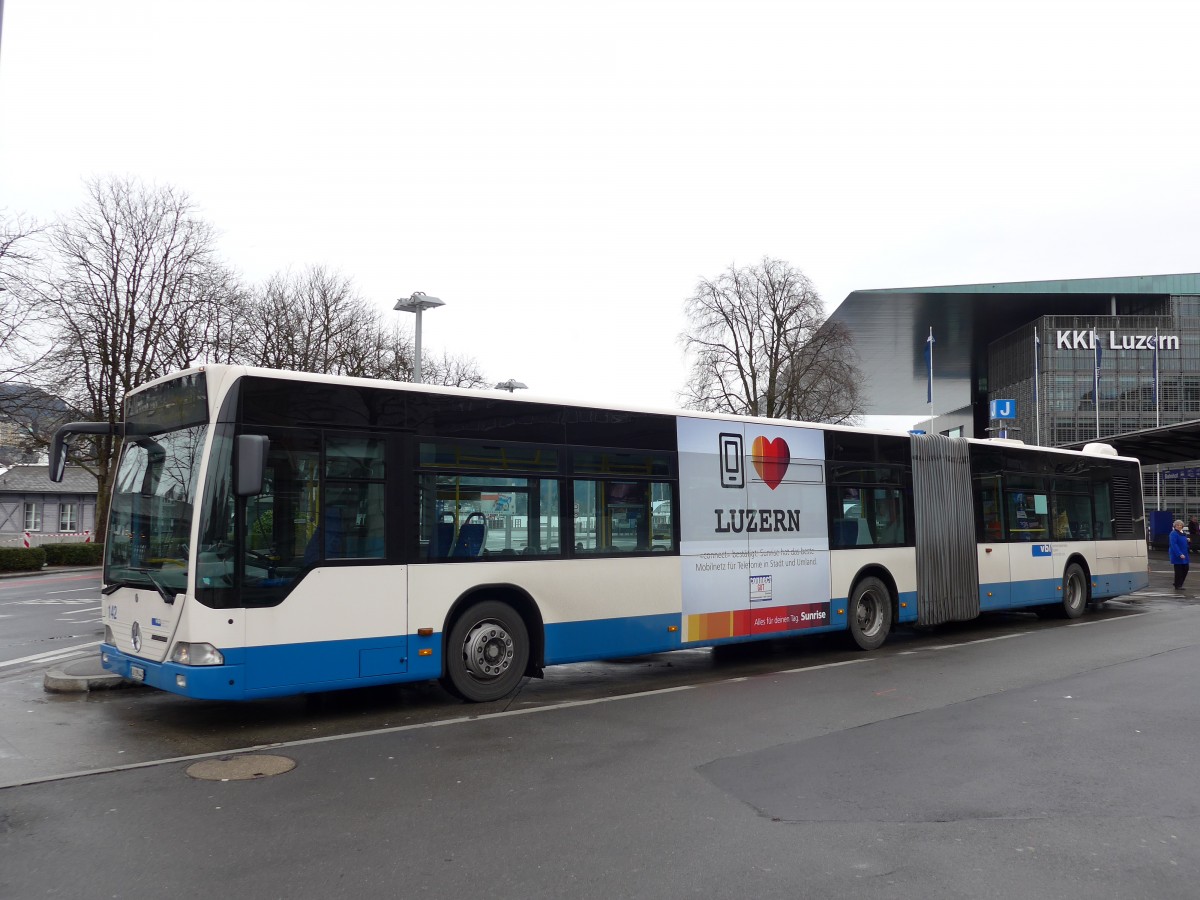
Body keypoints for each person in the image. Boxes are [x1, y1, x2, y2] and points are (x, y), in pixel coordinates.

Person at [1170, 519, 1190, 590]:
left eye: (1180, 525)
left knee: (1186, 568)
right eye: (1177, 525)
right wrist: (1179, 554)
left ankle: (1178, 583)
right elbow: (1174, 544)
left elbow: (1184, 543)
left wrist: (1187, 540)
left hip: (1185, 554)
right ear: (1175, 526)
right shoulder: (1173, 533)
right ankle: (1178, 585)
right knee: (1179, 570)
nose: (1179, 526)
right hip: (1177, 554)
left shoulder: (1183, 533)